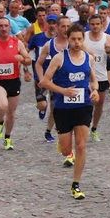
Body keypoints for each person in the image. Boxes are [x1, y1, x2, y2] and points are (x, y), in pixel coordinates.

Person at [39, 23, 99, 200]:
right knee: (66, 149)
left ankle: (76, 184)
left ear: (83, 39)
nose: (77, 42)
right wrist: (62, 91)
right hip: (63, 107)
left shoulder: (88, 58)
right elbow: (45, 82)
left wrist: (94, 90)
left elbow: (94, 80)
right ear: (68, 39)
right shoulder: (59, 58)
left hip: (83, 106)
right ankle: (64, 148)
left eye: (80, 39)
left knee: (81, 145)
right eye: (73, 39)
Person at [0, 17, 32, 150]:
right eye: (1, 26)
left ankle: (7, 137)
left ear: (10, 28)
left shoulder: (17, 43)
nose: (3, 29)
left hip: (13, 81)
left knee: (12, 113)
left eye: (6, 26)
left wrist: (23, 60)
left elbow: (28, 59)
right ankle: (0, 121)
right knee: (2, 106)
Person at [36, 16, 72, 154]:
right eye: (63, 26)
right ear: (57, 28)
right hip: (54, 83)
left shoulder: (75, 43)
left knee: (67, 110)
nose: (65, 29)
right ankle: (51, 131)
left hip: (71, 83)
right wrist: (42, 79)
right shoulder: (50, 45)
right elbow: (39, 63)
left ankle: (56, 132)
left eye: (68, 26)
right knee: (55, 108)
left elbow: (89, 57)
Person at [85, 13, 110, 142]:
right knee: (87, 103)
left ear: (101, 24)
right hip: (86, 76)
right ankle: (84, 126)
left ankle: (94, 128)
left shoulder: (107, 37)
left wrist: (109, 50)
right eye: (92, 24)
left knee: (99, 104)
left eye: (97, 24)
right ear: (89, 25)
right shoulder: (83, 37)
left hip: (101, 75)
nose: (95, 26)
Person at [27, 13, 57, 136]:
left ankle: (48, 131)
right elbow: (27, 52)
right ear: (46, 24)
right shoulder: (37, 38)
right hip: (40, 76)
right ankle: (42, 108)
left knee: (55, 106)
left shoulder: (60, 41)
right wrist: (25, 69)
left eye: (54, 23)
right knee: (42, 104)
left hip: (55, 78)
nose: (51, 25)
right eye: (49, 23)